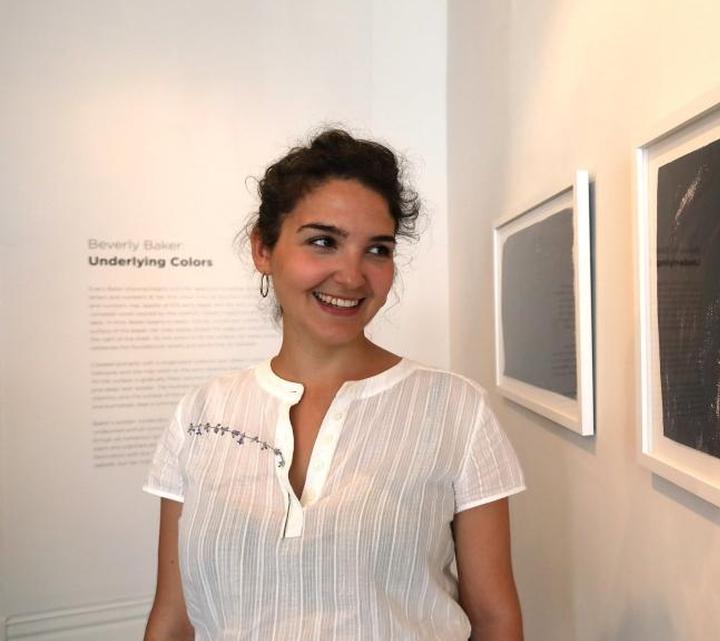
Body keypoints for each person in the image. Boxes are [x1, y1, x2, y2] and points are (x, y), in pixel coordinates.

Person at [142, 129, 526, 641]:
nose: (352, 276)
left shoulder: (456, 409)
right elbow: (173, 619)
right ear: (263, 248)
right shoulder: (201, 414)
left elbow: (496, 621)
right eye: (323, 242)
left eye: (377, 249)